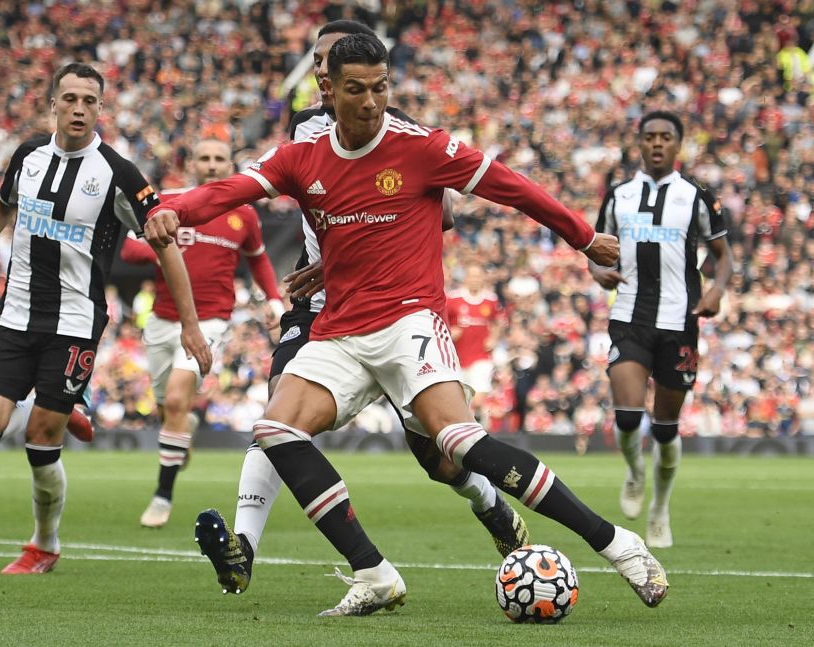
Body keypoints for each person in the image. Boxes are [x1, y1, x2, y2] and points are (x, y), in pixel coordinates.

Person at [147, 34, 668, 616]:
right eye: (356, 90)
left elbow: (512, 188)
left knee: (454, 442)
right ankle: (373, 574)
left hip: (408, 320)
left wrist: (584, 237)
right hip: (339, 330)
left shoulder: (421, 147)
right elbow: (229, 190)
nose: (372, 102)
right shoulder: (301, 155)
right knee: (275, 429)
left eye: (381, 88)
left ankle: (619, 544)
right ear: (327, 90)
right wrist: (176, 210)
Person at [193, 20, 528, 597]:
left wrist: (351, 248)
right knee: (277, 419)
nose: (324, 67)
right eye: (319, 59)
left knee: (438, 458)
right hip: (318, 310)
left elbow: (437, 214)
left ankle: (490, 503)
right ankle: (243, 549)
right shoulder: (301, 132)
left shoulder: (396, 129)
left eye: (331, 58)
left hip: (390, 307)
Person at [0, 63, 211, 575]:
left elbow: (166, 246)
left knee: (40, 439)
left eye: (89, 100)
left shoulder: (119, 174)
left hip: (75, 322)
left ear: (101, 109)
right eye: (70, 99)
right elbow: (2, 206)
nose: (79, 108)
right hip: (15, 314)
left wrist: (191, 324)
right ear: (53, 105)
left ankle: (44, 543)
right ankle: (62, 401)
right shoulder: (28, 156)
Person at [121, 137, 285, 528]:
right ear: (192, 161)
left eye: (219, 159)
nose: (212, 165)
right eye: (204, 158)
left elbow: (258, 260)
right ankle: (182, 431)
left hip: (211, 318)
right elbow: (129, 250)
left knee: (177, 398)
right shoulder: (167, 201)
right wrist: (165, 245)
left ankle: (162, 496)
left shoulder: (243, 213)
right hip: (162, 319)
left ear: (230, 164)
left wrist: (274, 300)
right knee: (167, 409)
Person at [590, 110, 734, 549]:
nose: (657, 143)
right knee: (629, 416)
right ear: (640, 143)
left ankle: (660, 507)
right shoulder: (618, 195)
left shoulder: (697, 196)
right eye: (650, 136)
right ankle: (635, 472)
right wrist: (599, 272)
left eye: (665, 137)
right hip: (630, 316)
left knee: (667, 428)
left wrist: (717, 292)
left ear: (678, 145)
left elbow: (724, 256)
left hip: (681, 321)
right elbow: (595, 250)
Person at [446, 263, 503, 421]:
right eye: (472, 276)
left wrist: (494, 338)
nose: (475, 279)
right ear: (465, 278)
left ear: (483, 278)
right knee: (462, 401)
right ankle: (474, 427)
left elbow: (498, 322)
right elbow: (441, 322)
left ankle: (478, 422)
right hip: (457, 359)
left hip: (481, 357)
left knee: (478, 400)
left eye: (478, 276)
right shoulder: (453, 299)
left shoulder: (490, 300)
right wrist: (451, 332)